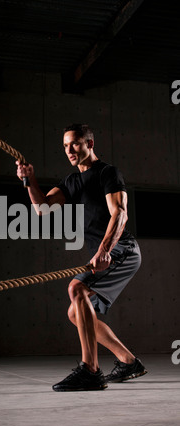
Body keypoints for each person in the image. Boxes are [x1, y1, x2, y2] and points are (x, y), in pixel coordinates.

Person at [16, 123, 147, 392]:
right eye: (65, 146)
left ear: (90, 143)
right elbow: (42, 208)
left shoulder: (107, 173)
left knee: (76, 288)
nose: (70, 150)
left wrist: (105, 250)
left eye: (75, 143)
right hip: (107, 253)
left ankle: (91, 371)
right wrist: (29, 180)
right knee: (76, 313)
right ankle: (129, 362)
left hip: (122, 250)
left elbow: (119, 212)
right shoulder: (71, 181)